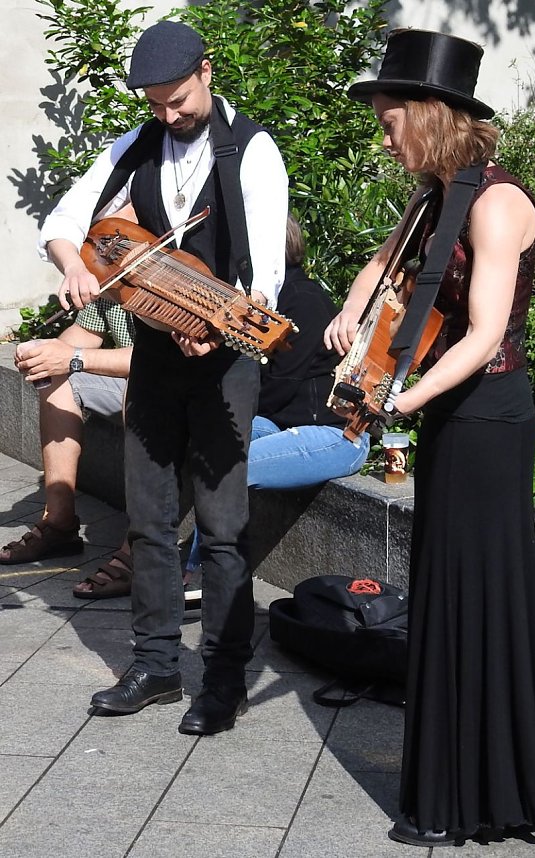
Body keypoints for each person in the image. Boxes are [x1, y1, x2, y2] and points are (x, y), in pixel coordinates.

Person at [325, 29, 535, 846]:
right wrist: (350, 315)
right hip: (448, 415)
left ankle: (474, 797)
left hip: (488, 417)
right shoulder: (433, 196)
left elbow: (484, 333)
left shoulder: (496, 203)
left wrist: (403, 398)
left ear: (429, 115)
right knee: (445, 593)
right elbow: (383, 265)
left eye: (390, 122)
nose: (383, 138)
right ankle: (460, 788)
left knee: (474, 596)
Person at [38, 19, 289, 735]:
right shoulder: (137, 145)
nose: (168, 115)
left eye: (177, 100)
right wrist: (75, 264)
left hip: (225, 363)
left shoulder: (252, 149)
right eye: (155, 104)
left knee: (222, 525)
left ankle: (224, 678)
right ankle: (154, 664)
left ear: (206, 72)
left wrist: (214, 321)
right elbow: (64, 219)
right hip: (152, 359)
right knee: (147, 519)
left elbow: (263, 275)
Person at [181, 212, 368, 570]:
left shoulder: (303, 299)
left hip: (337, 435)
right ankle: (193, 561)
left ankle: (198, 573)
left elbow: (280, 387)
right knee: (214, 444)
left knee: (232, 466)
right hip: (282, 423)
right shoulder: (264, 301)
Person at [2, 300, 134, 584]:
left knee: (141, 390)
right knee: (52, 375)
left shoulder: (171, 279)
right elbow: (84, 333)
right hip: (133, 378)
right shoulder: (113, 281)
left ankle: (143, 545)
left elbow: (159, 360)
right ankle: (59, 524)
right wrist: (41, 353)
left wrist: (74, 357)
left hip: (186, 391)